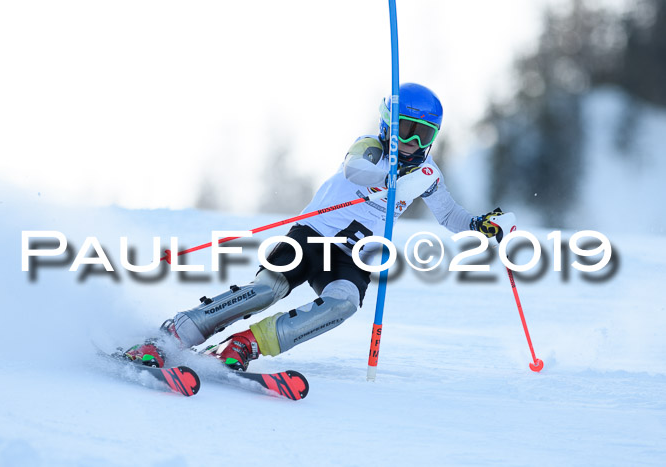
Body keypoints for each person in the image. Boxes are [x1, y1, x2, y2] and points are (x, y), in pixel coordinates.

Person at [124, 83, 505, 370]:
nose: (410, 142)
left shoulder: (428, 175)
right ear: (388, 122)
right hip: (313, 236)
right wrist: (390, 177)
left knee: (344, 303)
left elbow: (450, 215)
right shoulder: (370, 147)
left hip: (354, 254)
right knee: (266, 291)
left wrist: (477, 225)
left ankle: (244, 344)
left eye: (421, 135)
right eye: (405, 129)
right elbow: (355, 169)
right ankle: (173, 336)